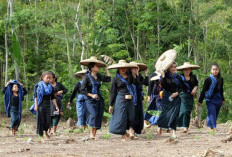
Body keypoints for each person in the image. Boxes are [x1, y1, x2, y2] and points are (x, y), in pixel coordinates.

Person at [80, 56, 111, 139]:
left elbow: (108, 79)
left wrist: (106, 69)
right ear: (92, 67)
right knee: (93, 114)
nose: (98, 67)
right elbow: (82, 90)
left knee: (98, 115)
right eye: (97, 66)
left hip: (98, 98)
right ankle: (91, 133)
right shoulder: (87, 77)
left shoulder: (99, 76)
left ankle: (94, 134)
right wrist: (91, 95)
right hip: (90, 99)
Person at [108, 60, 138, 140]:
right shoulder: (115, 79)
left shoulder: (131, 77)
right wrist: (111, 105)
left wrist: (135, 75)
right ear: (118, 69)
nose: (123, 69)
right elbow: (113, 92)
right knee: (122, 117)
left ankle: (131, 130)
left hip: (131, 98)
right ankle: (123, 134)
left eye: (125, 67)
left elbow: (137, 84)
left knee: (131, 116)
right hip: (120, 99)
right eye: (121, 68)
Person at [30, 71, 59, 142]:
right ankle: (41, 135)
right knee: (40, 121)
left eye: (50, 78)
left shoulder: (50, 87)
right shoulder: (39, 86)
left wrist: (56, 106)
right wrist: (36, 105)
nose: (49, 80)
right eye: (47, 78)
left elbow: (53, 98)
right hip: (40, 105)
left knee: (48, 121)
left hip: (47, 106)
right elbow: (36, 97)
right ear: (43, 78)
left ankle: (46, 131)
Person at [157, 62, 182, 138]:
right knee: (165, 113)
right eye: (172, 67)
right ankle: (160, 125)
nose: (173, 68)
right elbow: (163, 86)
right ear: (168, 68)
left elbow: (182, 88)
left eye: (175, 67)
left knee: (175, 114)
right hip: (166, 97)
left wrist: (177, 93)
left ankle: (174, 132)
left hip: (176, 97)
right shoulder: (164, 76)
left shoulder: (178, 77)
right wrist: (163, 77)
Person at [198, 63, 225, 132]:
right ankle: (214, 127)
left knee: (215, 113)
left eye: (216, 69)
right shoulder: (208, 79)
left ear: (218, 70)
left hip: (218, 98)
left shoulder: (221, 79)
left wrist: (223, 99)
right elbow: (203, 90)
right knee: (212, 112)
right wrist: (200, 101)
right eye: (213, 69)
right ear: (211, 70)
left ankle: (211, 126)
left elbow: (221, 89)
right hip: (210, 99)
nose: (215, 71)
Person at [177, 62, 199, 133]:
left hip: (190, 96)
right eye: (185, 69)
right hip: (182, 96)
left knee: (188, 112)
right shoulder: (180, 77)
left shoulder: (193, 77)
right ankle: (182, 125)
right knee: (183, 111)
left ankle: (186, 126)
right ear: (183, 70)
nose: (187, 70)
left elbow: (196, 84)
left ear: (190, 70)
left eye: (188, 69)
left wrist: (195, 88)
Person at [130, 62, 149, 135]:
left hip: (139, 98)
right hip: (132, 98)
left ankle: (136, 131)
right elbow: (136, 83)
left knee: (138, 115)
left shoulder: (139, 76)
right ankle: (131, 130)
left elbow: (146, 83)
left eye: (137, 68)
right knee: (132, 115)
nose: (136, 69)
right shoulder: (129, 77)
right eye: (134, 68)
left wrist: (146, 74)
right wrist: (136, 75)